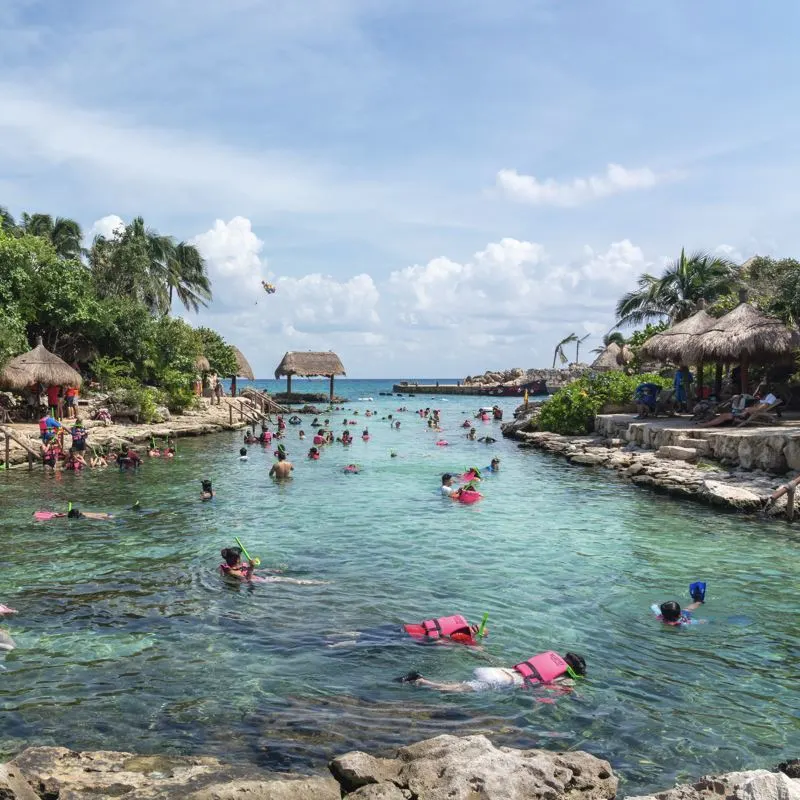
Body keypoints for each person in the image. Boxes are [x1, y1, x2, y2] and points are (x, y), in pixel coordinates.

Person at [397, 651, 586, 693]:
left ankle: (422, 679)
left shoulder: (547, 661)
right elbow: (548, 691)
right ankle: (422, 681)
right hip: (503, 681)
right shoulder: (564, 679)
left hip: (497, 670)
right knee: (453, 689)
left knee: (457, 683)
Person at [698, 391, 778, 428]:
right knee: (723, 415)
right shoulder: (762, 402)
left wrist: (745, 410)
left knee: (724, 416)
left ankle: (706, 424)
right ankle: (708, 423)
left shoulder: (765, 403)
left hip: (743, 415)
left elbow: (759, 409)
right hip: (743, 413)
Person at [403, 614, 485, 646]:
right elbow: (478, 650)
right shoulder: (466, 638)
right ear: (478, 634)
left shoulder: (460, 623)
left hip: (411, 627)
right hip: (414, 637)